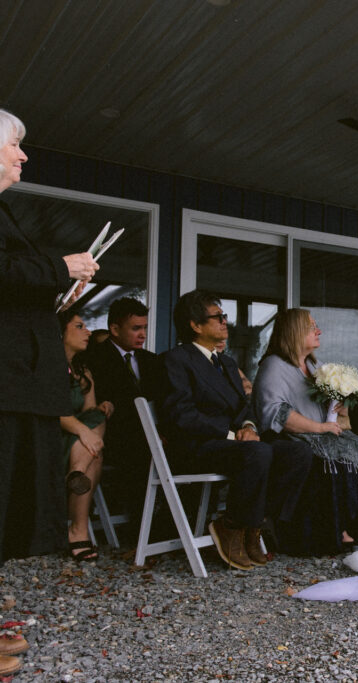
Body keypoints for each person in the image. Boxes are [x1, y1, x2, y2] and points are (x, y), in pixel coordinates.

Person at [0, 109, 99, 676]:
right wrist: (58, 266)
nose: (24, 156)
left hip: (18, 386)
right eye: (17, 145)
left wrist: (54, 296)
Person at [161, 290, 312, 571]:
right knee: (258, 452)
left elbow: (244, 407)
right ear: (195, 325)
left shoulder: (226, 363)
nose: (224, 322)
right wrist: (233, 435)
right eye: (217, 317)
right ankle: (232, 524)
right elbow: (181, 415)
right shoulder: (176, 360)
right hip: (195, 447)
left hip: (237, 446)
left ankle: (254, 525)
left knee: (297, 452)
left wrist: (248, 425)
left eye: (224, 316)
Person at [251, 308, 358, 554]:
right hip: (293, 438)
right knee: (336, 462)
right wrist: (320, 427)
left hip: (324, 433)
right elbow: (276, 413)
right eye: (312, 327)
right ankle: (332, 529)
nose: (318, 331)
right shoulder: (274, 366)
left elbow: (328, 404)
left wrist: (340, 406)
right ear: (294, 333)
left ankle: (342, 521)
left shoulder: (315, 366)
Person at [89, 298, 164, 530]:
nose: (142, 334)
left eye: (144, 328)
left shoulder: (152, 361)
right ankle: (143, 529)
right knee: (140, 453)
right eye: (135, 328)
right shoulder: (95, 358)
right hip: (116, 437)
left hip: (153, 435)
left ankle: (177, 523)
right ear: (114, 329)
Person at [58, 310, 114, 561]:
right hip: (53, 439)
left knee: (97, 418)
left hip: (77, 444)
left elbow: (89, 413)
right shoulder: (46, 368)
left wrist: (101, 409)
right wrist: (83, 431)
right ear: (61, 332)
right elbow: (51, 414)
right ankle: (77, 531)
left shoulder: (82, 370)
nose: (88, 332)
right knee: (95, 452)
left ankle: (76, 473)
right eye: (80, 326)